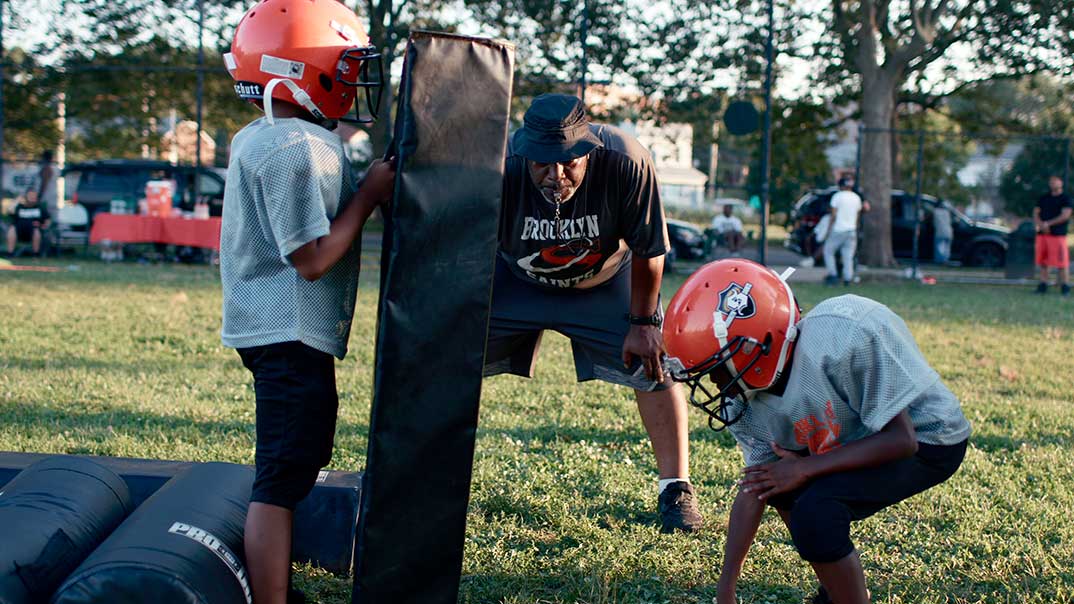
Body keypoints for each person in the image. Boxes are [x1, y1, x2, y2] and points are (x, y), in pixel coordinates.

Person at [662, 259, 971, 604]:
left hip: (930, 440)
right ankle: (836, 589)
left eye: (717, 369)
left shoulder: (840, 334)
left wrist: (804, 468)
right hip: (856, 436)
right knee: (779, 486)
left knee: (816, 511)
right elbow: (757, 486)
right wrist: (726, 589)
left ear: (755, 346)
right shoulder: (745, 399)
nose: (716, 384)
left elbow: (902, 440)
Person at [218, 2, 393, 602]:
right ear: (297, 69)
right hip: (284, 331)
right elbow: (314, 260)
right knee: (281, 476)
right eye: (342, 66)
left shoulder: (271, 134)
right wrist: (368, 196)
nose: (350, 80)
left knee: (298, 459)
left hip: (277, 329)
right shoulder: (292, 144)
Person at [485, 93, 703, 533]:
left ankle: (676, 488)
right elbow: (470, 247)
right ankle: (429, 474)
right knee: (448, 356)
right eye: (543, 163)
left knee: (654, 367)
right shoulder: (499, 164)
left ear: (588, 149)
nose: (556, 175)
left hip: (604, 280)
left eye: (568, 162)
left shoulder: (626, 160)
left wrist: (644, 323)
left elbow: (650, 249)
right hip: (517, 280)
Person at [823, 177, 866, 286]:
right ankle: (848, 278)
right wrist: (855, 228)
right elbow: (857, 216)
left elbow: (833, 215)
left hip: (838, 229)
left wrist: (828, 230)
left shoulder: (837, 197)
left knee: (828, 251)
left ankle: (833, 275)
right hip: (851, 230)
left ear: (840, 186)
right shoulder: (856, 198)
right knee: (848, 256)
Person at [1033, 175, 1072, 296]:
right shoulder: (1044, 198)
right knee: (1043, 261)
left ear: (1061, 183)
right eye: (1051, 181)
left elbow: (1065, 215)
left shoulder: (1066, 198)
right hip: (1043, 235)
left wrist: (1048, 223)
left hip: (1058, 235)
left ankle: (1065, 286)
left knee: (1061, 262)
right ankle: (1043, 285)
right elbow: (1036, 213)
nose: (1053, 183)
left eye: (1056, 181)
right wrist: (1041, 225)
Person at [6, 189, 51, 256]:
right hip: (19, 231)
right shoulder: (20, 207)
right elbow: (9, 211)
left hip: (33, 230)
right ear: (26, 196)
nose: (32, 197)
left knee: (36, 231)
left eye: (34, 195)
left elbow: (47, 219)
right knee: (12, 229)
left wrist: (44, 226)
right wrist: (17, 200)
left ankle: (36, 254)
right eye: (30, 195)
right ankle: (10, 253)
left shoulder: (40, 207)